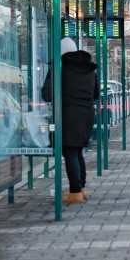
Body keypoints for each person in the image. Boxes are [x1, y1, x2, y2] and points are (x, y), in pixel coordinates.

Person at [41, 37, 99, 204]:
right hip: (87, 114)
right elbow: (95, 94)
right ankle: (81, 188)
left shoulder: (59, 69)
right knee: (77, 151)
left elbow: (47, 94)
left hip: (67, 114)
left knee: (70, 152)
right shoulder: (90, 70)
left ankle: (75, 191)